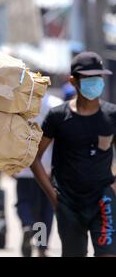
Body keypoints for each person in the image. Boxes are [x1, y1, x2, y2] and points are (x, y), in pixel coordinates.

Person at [30, 52, 116, 257]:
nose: (94, 83)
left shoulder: (111, 115)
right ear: (73, 81)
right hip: (68, 202)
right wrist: (54, 197)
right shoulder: (58, 116)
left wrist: (113, 189)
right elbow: (34, 158)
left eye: (98, 78)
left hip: (103, 201)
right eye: (88, 78)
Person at [15, 93, 63, 257]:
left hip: (23, 166)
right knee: (44, 210)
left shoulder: (19, 100)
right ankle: (41, 248)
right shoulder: (56, 104)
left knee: (24, 202)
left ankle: (28, 225)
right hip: (47, 169)